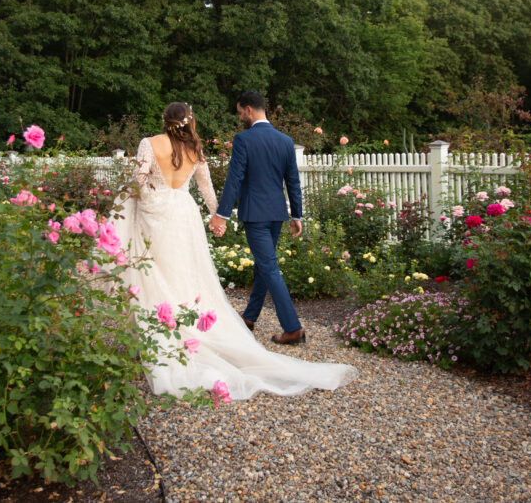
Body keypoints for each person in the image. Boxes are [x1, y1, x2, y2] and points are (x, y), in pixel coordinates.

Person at [113, 101, 356, 401]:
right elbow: (208, 191)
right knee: (186, 276)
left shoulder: (148, 144)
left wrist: (220, 216)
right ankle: (205, 327)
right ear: (189, 121)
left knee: (155, 274)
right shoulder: (198, 151)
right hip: (185, 216)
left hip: (153, 215)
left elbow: (138, 183)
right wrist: (219, 219)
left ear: (165, 121)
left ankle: (159, 336)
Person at [209, 91, 305, 344]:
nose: (240, 117)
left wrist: (222, 214)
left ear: (249, 110)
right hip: (277, 215)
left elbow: (234, 179)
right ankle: (249, 318)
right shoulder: (285, 141)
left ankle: (293, 328)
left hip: (256, 217)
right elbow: (293, 181)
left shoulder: (243, 139)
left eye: (240, 112)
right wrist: (296, 214)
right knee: (265, 266)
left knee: (269, 268)